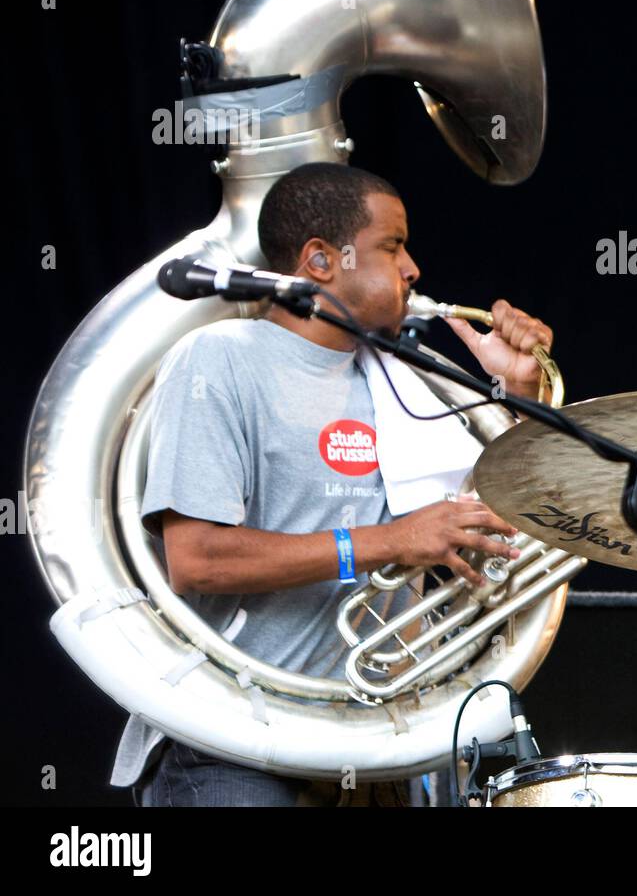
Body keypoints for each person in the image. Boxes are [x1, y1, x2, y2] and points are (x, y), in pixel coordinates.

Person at [111, 162, 556, 806]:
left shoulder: (413, 380)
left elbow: (517, 527)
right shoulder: (220, 357)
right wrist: (390, 540)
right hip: (236, 746)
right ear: (321, 260)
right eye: (392, 245)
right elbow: (197, 559)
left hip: (378, 747)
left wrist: (517, 395)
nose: (412, 269)